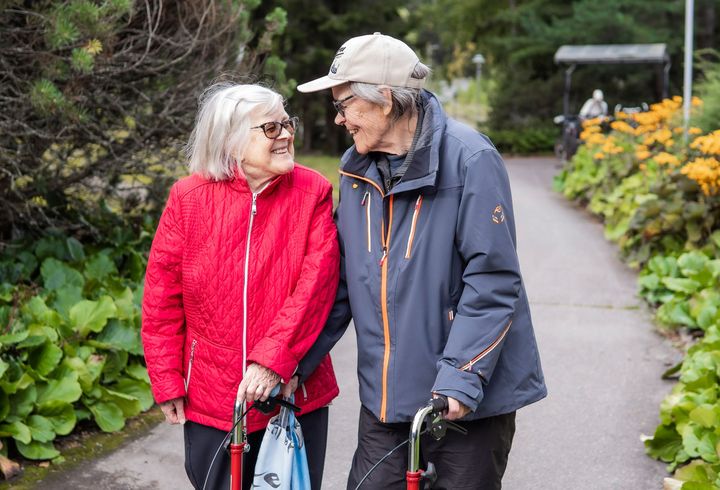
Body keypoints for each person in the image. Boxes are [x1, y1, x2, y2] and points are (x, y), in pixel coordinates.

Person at [296, 33, 547, 490]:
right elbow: (340, 287)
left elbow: (492, 281)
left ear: (385, 100)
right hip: (387, 402)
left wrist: (461, 378)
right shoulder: (357, 172)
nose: (339, 120)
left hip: (465, 402)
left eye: (344, 104)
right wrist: (291, 362)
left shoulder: (471, 159)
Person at [141, 82, 340, 490]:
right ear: (231, 140)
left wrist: (273, 359)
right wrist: (166, 379)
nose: (285, 134)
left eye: (287, 123)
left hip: (291, 393)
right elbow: (162, 299)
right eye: (271, 128)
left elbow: (316, 284)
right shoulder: (188, 198)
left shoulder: (313, 192)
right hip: (210, 396)